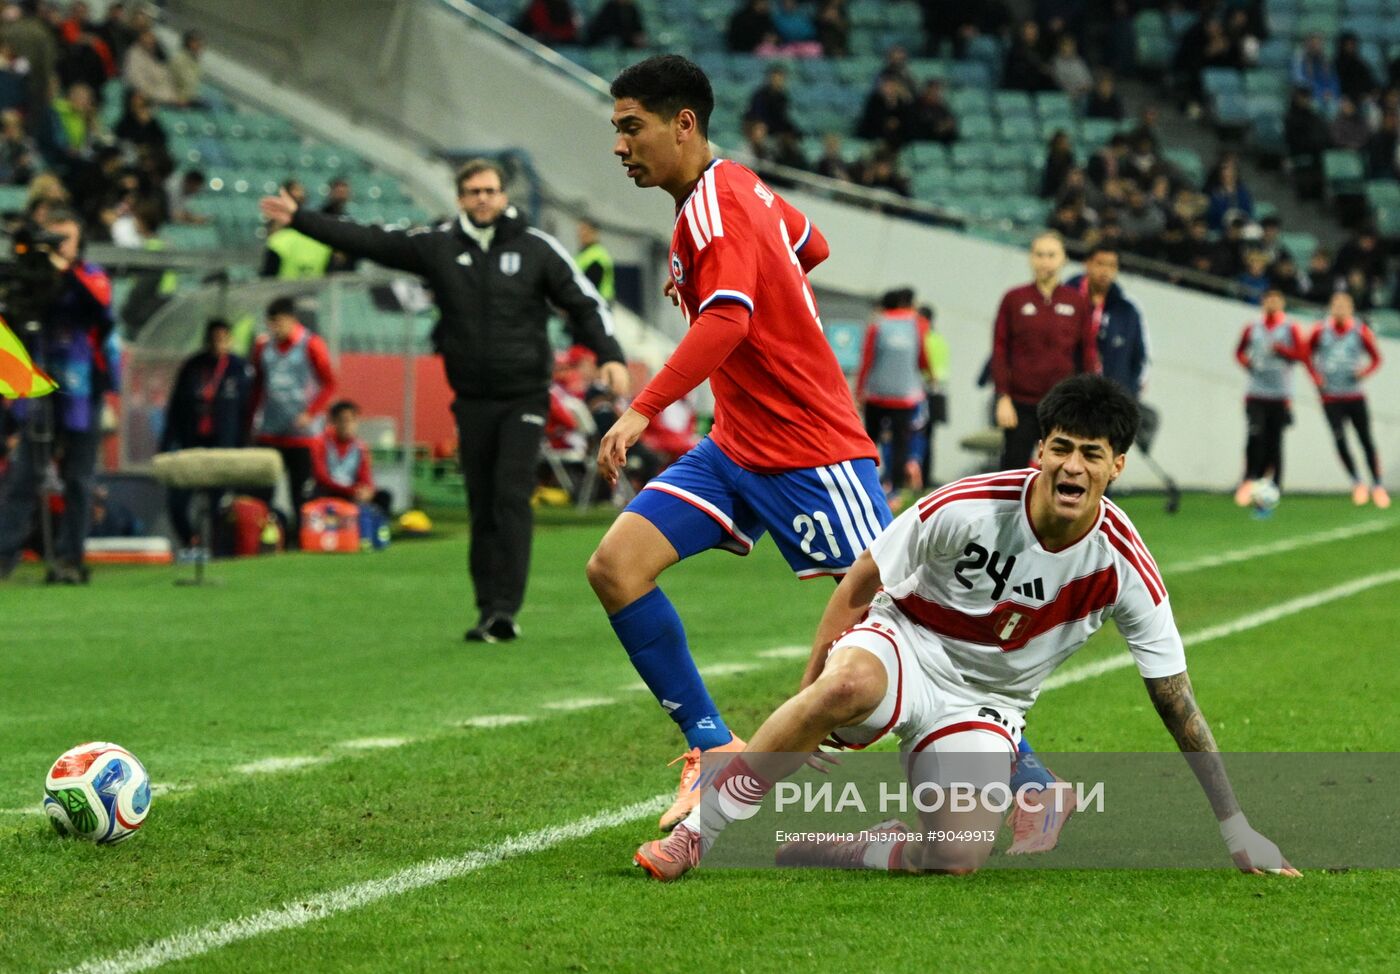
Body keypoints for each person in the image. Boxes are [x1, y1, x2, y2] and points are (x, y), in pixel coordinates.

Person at [634, 375, 1300, 882]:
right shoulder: (969, 506)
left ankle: (862, 846)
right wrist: (812, 689)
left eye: (1091, 454)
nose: (1072, 467)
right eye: (1061, 448)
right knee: (846, 688)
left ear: (1116, 465)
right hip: (907, 644)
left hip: (988, 703)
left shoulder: (1123, 566)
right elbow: (862, 580)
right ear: (1040, 449)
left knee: (956, 856)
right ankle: (698, 833)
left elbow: (1176, 702)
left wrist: (1236, 829)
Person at [592, 54, 892, 833]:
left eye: (632, 127)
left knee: (909, 615)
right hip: (736, 445)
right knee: (617, 567)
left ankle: (1028, 777)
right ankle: (713, 746)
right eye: (616, 129)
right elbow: (810, 244)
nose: (619, 146)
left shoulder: (713, 209)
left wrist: (641, 410)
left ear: (683, 124)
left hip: (809, 447)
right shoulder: (740, 186)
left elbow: (728, 319)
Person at [260, 158, 628, 642]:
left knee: (510, 495)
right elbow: (371, 239)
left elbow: (584, 301)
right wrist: (302, 219)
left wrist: (610, 354)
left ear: (503, 196)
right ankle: (486, 609)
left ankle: (505, 610)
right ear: (459, 198)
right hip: (471, 398)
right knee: (481, 501)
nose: (483, 198)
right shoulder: (438, 246)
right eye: (473, 191)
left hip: (524, 394)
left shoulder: (535, 247)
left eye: (490, 190)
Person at [0, 209, 114, 583]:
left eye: (65, 239)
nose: (58, 246)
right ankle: (3, 556)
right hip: (41, 384)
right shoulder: (34, 280)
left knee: (79, 478)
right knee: (24, 476)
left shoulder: (91, 274)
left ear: (79, 242)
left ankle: (69, 558)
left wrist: (65, 271)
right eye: (53, 238)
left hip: (84, 388)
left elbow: (101, 309)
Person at [991, 231, 1098, 470]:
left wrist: (1088, 402)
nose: (1045, 261)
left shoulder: (1078, 302)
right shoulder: (1014, 298)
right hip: (1020, 404)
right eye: (1039, 255)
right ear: (1030, 258)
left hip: (1063, 406)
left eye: (1051, 255)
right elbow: (999, 350)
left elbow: (1087, 354)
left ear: (1064, 259)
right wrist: (1002, 397)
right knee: (1013, 472)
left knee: (1060, 471)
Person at [159, 318, 253, 552]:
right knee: (177, 502)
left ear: (230, 340)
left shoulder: (239, 368)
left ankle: (218, 551)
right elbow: (175, 407)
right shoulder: (193, 366)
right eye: (214, 339)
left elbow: (247, 411)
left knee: (219, 505)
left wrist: (244, 446)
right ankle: (193, 543)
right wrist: (167, 443)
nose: (218, 343)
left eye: (223, 338)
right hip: (192, 445)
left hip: (223, 448)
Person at [249, 297, 337, 537]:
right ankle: (263, 539)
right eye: (270, 323)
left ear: (291, 319)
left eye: (278, 322)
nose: (274, 328)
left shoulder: (311, 344)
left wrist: (310, 413)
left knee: (301, 493)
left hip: (302, 436)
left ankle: (302, 539)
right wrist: (251, 422)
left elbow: (329, 384)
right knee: (262, 491)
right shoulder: (263, 347)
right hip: (270, 432)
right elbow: (258, 387)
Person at [1308, 292, 1388, 508]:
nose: (1340, 309)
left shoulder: (1360, 331)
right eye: (1336, 305)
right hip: (1331, 397)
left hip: (1355, 396)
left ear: (1351, 308)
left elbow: (1377, 358)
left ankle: (1378, 485)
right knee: (1340, 439)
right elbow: (1306, 354)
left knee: (1365, 440)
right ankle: (1357, 482)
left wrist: (1364, 373)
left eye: (1344, 305)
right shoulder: (1320, 330)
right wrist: (1316, 378)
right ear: (1330, 307)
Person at [1233, 287, 1308, 507]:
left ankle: (1275, 484)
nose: (1272, 304)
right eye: (1268, 300)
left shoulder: (1290, 327)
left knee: (1275, 441)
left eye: (1276, 300)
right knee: (1254, 436)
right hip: (1256, 393)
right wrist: (1247, 363)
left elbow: (1302, 354)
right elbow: (1239, 352)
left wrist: (1283, 351)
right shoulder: (1252, 327)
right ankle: (1248, 479)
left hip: (1280, 395)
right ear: (1263, 303)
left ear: (1282, 303)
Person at [856, 287, 929, 497]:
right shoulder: (918, 324)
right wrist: (928, 376)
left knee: (869, 440)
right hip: (905, 396)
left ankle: (862, 483)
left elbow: (867, 359)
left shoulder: (877, 323)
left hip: (877, 393)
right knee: (900, 443)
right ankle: (894, 490)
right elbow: (922, 358)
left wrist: (860, 390)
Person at [1066, 244, 1149, 399]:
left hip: (1107, 399)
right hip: (1064, 392)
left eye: (1112, 266)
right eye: (1100, 264)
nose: (1105, 271)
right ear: (1087, 264)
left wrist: (1129, 392)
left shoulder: (1127, 311)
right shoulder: (1064, 300)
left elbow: (1139, 357)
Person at [310, 399, 391, 512]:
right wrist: (351, 490)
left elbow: (365, 475)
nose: (348, 425)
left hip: (352, 492)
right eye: (344, 420)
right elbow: (321, 476)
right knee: (315, 494)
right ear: (334, 422)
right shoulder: (320, 443)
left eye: (353, 420)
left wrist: (368, 491)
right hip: (329, 490)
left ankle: (375, 523)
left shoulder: (360, 447)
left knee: (384, 496)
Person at [575, 217, 615, 304]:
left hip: (598, 304)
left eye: (585, 230)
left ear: (594, 233)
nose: (581, 234)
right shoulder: (583, 254)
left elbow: (590, 286)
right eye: (580, 231)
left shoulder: (597, 256)